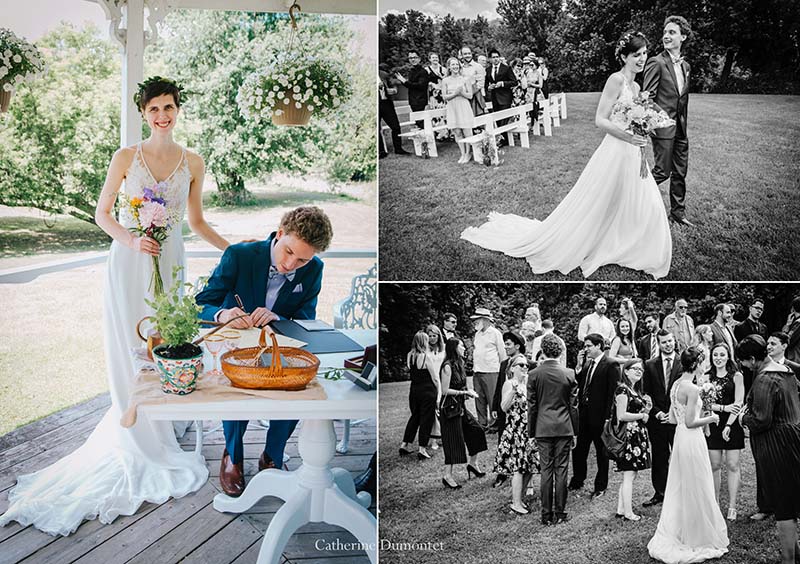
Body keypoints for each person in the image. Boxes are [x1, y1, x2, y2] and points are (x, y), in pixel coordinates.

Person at [0, 77, 230, 535]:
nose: (162, 115)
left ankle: (162, 419)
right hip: (130, 259)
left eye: (168, 107)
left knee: (169, 337)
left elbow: (197, 220)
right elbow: (103, 212)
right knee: (132, 339)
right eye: (154, 109)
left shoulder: (194, 161)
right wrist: (131, 239)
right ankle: (135, 420)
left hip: (171, 257)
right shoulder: (126, 157)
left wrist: (238, 249)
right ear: (143, 113)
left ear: (177, 109)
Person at [461, 31, 672, 279]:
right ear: (624, 57)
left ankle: (630, 242)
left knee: (640, 199)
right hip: (615, 149)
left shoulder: (637, 86)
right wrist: (629, 136)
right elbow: (600, 120)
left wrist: (642, 131)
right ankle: (596, 240)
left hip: (633, 151)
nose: (642, 59)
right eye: (636, 55)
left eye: (645, 53)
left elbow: (635, 118)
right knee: (601, 200)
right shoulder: (616, 80)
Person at [195, 205, 333, 497]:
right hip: (235, 348)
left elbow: (306, 317)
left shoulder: (314, 269)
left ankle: (273, 454)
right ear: (279, 234)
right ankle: (233, 454)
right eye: (288, 252)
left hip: (279, 348)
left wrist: (279, 319)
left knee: (299, 386)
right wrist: (223, 314)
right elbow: (200, 304)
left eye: (302, 260)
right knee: (236, 389)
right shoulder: (239, 255)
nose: (290, 265)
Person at [647, 347, 729, 563]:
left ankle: (684, 529)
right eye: (703, 362)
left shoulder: (676, 385)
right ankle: (697, 534)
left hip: (680, 438)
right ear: (696, 364)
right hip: (692, 439)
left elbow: (674, 420)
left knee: (683, 483)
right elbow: (692, 423)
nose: (705, 365)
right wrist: (710, 419)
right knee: (698, 482)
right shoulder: (692, 389)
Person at [736, 335, 800, 564]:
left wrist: (743, 417)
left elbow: (762, 419)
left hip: (777, 444)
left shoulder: (765, 378)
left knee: (783, 503)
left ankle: (787, 559)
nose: (743, 366)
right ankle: (794, 552)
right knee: (790, 499)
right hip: (793, 437)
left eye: (743, 362)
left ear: (752, 359)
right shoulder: (786, 371)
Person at [644, 16, 693, 226]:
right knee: (662, 172)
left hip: (681, 129)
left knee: (680, 173)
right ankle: (635, 202)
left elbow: (683, 100)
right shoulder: (657, 62)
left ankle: (678, 213)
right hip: (663, 128)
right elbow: (647, 97)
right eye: (665, 32)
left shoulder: (686, 66)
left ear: (683, 37)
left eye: (672, 32)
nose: (666, 35)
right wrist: (663, 120)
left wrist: (681, 124)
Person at [528, 335, 579, 525]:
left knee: (546, 470)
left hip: (542, 427)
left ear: (543, 349)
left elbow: (532, 406)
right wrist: (575, 431)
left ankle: (546, 515)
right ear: (560, 351)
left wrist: (531, 432)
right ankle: (560, 512)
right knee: (562, 470)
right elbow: (574, 407)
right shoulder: (569, 373)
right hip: (564, 426)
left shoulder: (534, 374)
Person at [568, 333, 620, 498]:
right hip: (584, 416)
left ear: (599, 346)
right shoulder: (588, 364)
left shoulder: (611, 364)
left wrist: (608, 418)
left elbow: (613, 393)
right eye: (586, 345)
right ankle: (578, 480)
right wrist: (578, 366)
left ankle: (601, 486)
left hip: (600, 417)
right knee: (579, 450)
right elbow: (579, 383)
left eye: (589, 345)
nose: (586, 349)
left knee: (601, 453)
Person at [440, 338, 488, 489]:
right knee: (454, 442)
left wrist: (468, 392)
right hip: (450, 409)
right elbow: (445, 390)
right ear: (454, 348)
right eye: (461, 346)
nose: (464, 348)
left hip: (460, 407)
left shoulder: (460, 364)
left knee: (477, 431)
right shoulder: (447, 366)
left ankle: (473, 464)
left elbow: (462, 385)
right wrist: (464, 392)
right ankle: (447, 476)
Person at [704, 343, 745, 521]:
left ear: (728, 356)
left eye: (722, 354)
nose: (718, 358)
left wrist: (728, 424)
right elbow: (705, 404)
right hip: (712, 423)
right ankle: (715, 503)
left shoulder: (737, 376)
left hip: (732, 424)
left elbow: (738, 403)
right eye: (715, 355)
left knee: (733, 465)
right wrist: (723, 407)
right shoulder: (706, 377)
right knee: (714, 466)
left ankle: (732, 505)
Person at [641, 330, 682, 507]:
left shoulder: (683, 362)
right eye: (664, 342)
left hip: (677, 417)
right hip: (657, 419)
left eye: (670, 341)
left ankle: (681, 491)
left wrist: (672, 413)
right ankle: (660, 492)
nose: (668, 344)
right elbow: (646, 392)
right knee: (659, 456)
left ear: (674, 341)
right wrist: (657, 412)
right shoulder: (650, 365)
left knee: (680, 456)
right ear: (658, 344)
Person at [494, 354, 537, 514]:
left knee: (530, 466)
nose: (525, 367)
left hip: (528, 431)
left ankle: (520, 498)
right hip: (515, 431)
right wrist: (512, 392)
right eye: (521, 365)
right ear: (512, 368)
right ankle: (515, 503)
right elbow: (504, 407)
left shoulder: (526, 383)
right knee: (519, 468)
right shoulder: (509, 383)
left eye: (526, 365)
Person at [613, 359, 652, 521]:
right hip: (628, 437)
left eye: (641, 370)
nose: (638, 371)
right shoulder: (622, 389)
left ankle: (621, 509)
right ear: (626, 371)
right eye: (634, 369)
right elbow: (621, 415)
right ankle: (628, 512)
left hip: (637, 436)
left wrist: (647, 409)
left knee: (631, 474)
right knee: (629, 475)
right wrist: (642, 415)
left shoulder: (635, 390)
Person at [399, 331, 439, 460]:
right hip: (427, 391)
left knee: (415, 417)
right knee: (426, 419)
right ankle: (422, 449)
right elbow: (434, 377)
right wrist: (438, 392)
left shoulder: (409, 355)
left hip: (414, 390)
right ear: (424, 342)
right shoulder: (425, 357)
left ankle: (404, 444)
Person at [470, 307, 507, 430]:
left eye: (477, 320)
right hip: (477, 371)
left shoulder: (495, 333)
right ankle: (482, 423)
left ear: (485, 320)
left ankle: (494, 424)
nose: (475, 322)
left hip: (491, 371)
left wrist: (503, 370)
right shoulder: (477, 334)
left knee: (492, 398)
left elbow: (502, 353)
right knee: (479, 398)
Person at [441, 57, 475, 164]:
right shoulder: (445, 80)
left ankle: (468, 153)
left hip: (463, 106)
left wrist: (461, 93)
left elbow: (470, 96)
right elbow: (444, 97)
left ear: (459, 66)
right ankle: (463, 153)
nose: (455, 67)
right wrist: (455, 93)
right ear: (449, 67)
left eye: (457, 64)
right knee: (457, 131)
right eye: (453, 65)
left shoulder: (465, 79)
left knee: (466, 131)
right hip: (452, 107)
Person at [484, 48, 517, 146]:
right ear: (490, 59)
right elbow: (486, 83)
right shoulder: (488, 70)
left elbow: (514, 82)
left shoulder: (506, 68)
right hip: (494, 97)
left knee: (504, 119)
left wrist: (502, 83)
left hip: (505, 97)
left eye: (497, 57)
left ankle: (501, 140)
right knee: (498, 119)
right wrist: (489, 87)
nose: (495, 59)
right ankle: (504, 139)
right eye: (493, 57)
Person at [379, 64, 409, 157]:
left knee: (395, 126)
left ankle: (398, 149)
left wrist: (393, 90)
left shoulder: (383, 74)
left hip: (386, 103)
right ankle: (381, 151)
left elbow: (394, 86)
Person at [395, 51, 430, 129]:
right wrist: (403, 81)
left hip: (420, 101)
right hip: (413, 101)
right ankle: (421, 140)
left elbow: (420, 86)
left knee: (421, 123)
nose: (413, 59)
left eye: (415, 57)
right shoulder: (411, 71)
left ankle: (427, 139)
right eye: (411, 58)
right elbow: (410, 86)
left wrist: (405, 82)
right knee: (418, 123)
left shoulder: (423, 72)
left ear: (419, 59)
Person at [426, 323, 446, 450]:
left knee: (442, 409)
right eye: (430, 336)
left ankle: (443, 435)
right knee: (433, 410)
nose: (432, 338)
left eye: (435, 336)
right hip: (430, 381)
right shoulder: (425, 350)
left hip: (441, 379)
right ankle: (433, 440)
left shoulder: (443, 349)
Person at [459, 46, 486, 117]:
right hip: (463, 97)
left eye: (469, 53)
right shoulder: (460, 68)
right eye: (465, 54)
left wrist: (469, 93)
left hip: (475, 97)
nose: (467, 55)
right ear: (461, 56)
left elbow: (480, 84)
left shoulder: (478, 66)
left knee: (478, 121)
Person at [783, 296, 800, 362]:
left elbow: (786, 340)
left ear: (792, 309)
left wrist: (787, 325)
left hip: (795, 360)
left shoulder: (798, 323)